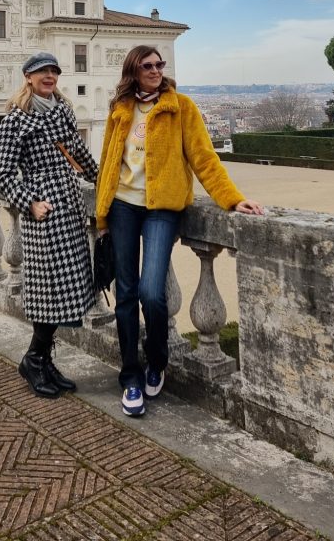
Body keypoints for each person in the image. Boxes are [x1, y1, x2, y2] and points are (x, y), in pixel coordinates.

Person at [96, 45, 264, 417]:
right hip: (123, 205)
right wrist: (102, 213)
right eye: (148, 65)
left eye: (160, 65)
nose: (156, 70)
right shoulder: (120, 108)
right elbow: (109, 158)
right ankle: (130, 377)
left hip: (161, 208)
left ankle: (157, 361)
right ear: (134, 71)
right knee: (125, 295)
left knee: (151, 293)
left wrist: (232, 198)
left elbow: (203, 157)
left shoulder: (181, 106)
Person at [0, 52, 98, 398]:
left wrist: (106, 181)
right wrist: (30, 204)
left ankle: (42, 358)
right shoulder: (15, 120)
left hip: (68, 202)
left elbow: (79, 154)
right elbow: (4, 174)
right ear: (28, 77)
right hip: (44, 208)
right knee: (47, 288)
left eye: (53, 71)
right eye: (42, 72)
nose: (49, 76)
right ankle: (34, 359)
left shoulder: (64, 109)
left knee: (65, 287)